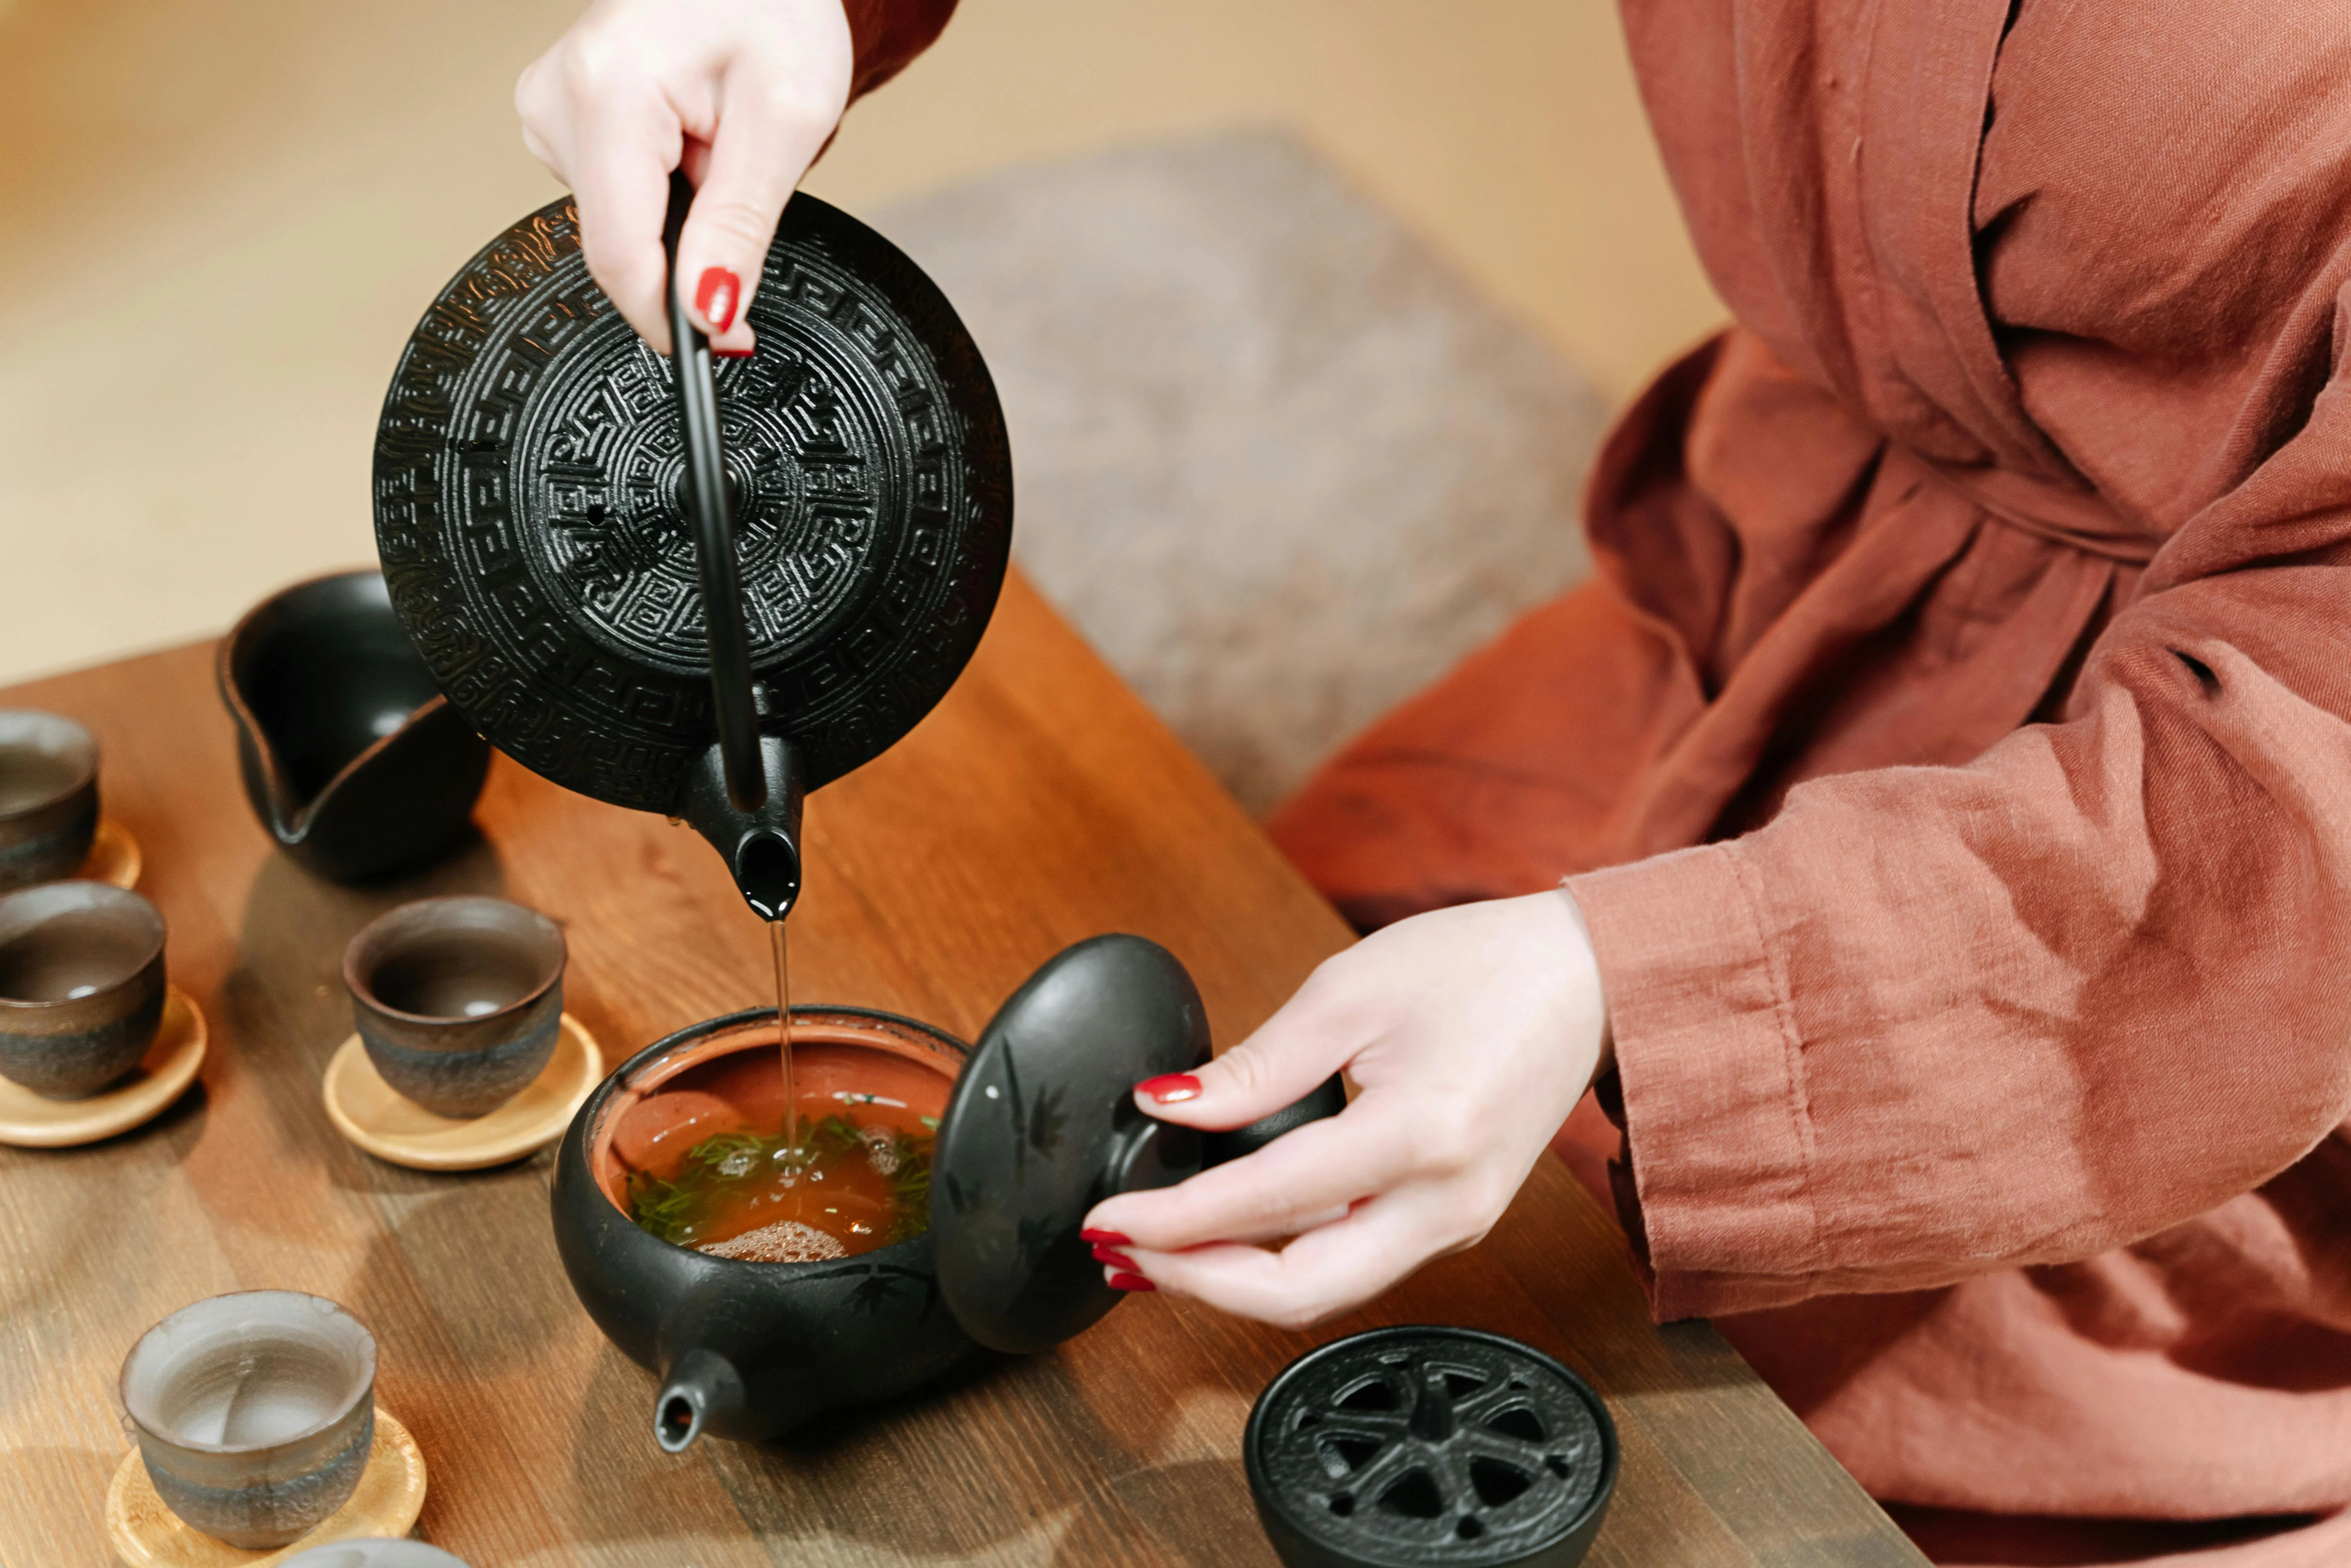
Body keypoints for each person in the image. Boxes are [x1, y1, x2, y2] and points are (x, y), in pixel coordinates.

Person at [521, 2, 2351, 1561]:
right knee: (1285, 973)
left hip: (2175, 906)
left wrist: (1632, 987)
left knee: (1668, 1440)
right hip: (1775, 559)